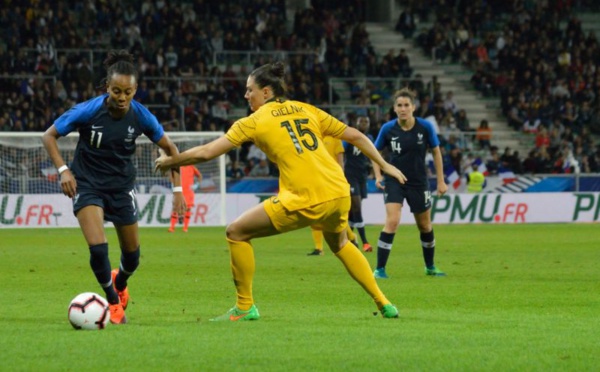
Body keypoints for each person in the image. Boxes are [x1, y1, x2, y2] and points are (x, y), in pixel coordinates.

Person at [155, 62, 407, 321]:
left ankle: (244, 307)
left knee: (236, 232)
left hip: (305, 197)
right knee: (341, 243)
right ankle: (384, 302)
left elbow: (207, 152)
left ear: (266, 92)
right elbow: (355, 135)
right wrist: (385, 164)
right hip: (339, 192)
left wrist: (171, 160)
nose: (245, 95)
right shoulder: (306, 109)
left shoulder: (253, 121)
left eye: (249, 89)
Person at [41, 50, 186, 325]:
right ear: (107, 87)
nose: (121, 97)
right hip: (87, 184)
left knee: (132, 257)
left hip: (121, 188)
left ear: (135, 90)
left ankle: (120, 281)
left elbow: (170, 148)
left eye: (127, 92)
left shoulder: (141, 116)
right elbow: (49, 136)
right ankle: (112, 301)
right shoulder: (88, 110)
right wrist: (63, 170)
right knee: (98, 250)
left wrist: (177, 190)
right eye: (116, 91)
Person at [372, 88, 448, 279]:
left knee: (424, 225)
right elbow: (374, 153)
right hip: (394, 179)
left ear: (413, 107)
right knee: (392, 221)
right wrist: (379, 175)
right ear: (394, 108)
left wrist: (440, 180)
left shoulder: (425, 128)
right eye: (399, 105)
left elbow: (436, 152)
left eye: (407, 105)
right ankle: (379, 269)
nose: (403, 108)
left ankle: (430, 267)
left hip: (418, 182)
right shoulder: (388, 129)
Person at [306, 135, 359, 256]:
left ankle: (351, 236)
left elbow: (340, 161)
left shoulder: (334, 139)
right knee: (313, 211)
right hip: (315, 180)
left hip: (331, 181)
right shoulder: (310, 136)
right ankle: (318, 249)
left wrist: (341, 179)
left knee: (335, 215)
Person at [343, 116, 374, 253]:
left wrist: (372, 169)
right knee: (357, 207)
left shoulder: (370, 138)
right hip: (350, 176)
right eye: (361, 121)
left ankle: (348, 241)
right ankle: (365, 242)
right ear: (356, 123)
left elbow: (372, 154)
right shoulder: (350, 137)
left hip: (362, 177)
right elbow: (341, 151)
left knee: (352, 211)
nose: (364, 124)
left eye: (366, 122)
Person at [169, 164, 202, 232]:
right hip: (179, 190)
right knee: (175, 208)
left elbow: (199, 176)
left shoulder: (191, 167)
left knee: (188, 209)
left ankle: (185, 228)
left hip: (189, 192)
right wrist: (173, 184)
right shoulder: (177, 167)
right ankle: (172, 228)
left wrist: (197, 185)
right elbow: (171, 175)